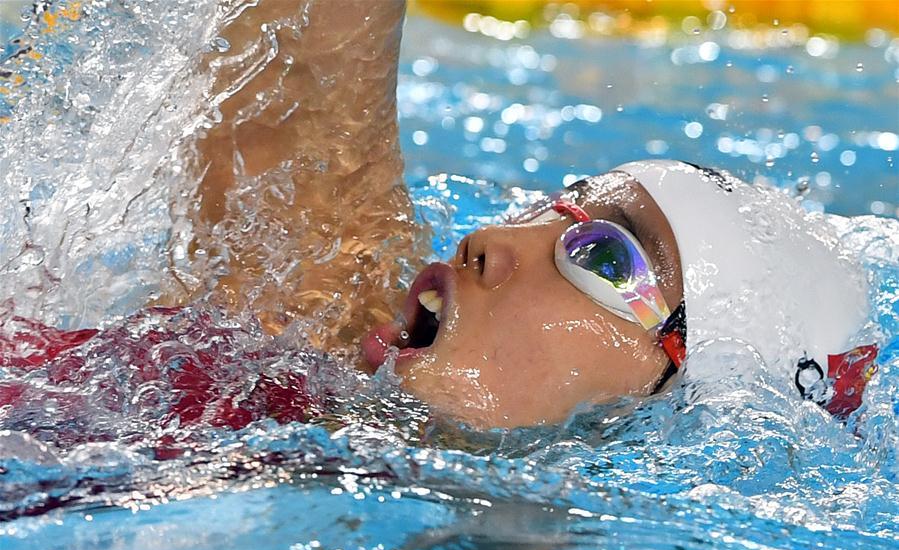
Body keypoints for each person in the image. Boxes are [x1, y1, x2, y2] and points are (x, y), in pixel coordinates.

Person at [0, 0, 879, 436]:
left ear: (664, 403)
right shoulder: (299, 350)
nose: (491, 242)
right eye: (547, 209)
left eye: (601, 258)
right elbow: (302, 68)